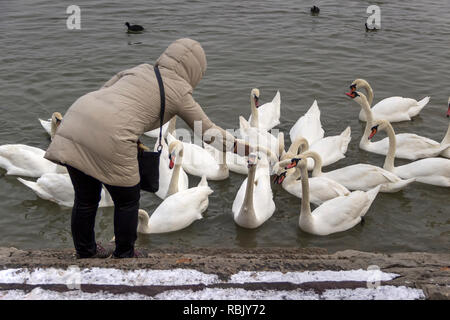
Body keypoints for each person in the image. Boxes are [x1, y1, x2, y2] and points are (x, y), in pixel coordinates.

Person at [45, 38, 250, 259]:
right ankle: (125, 253)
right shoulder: (179, 91)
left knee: (85, 198)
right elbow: (207, 132)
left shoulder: (138, 69)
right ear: (195, 71)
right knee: (127, 199)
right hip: (113, 134)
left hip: (77, 118)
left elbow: (105, 92)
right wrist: (240, 148)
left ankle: (85, 252)